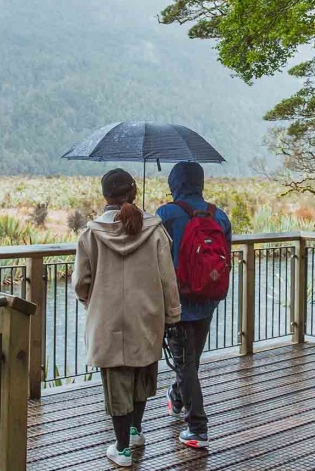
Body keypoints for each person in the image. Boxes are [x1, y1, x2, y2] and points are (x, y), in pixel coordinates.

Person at [73, 168, 182, 468]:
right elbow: (167, 279)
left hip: (107, 320)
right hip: (146, 316)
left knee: (117, 380)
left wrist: (90, 301)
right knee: (142, 376)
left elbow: (81, 282)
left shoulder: (92, 233)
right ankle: (135, 432)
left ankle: (121, 448)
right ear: (133, 193)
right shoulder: (155, 230)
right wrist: (172, 315)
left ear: (105, 195)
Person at [155, 161, 233, 449]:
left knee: (185, 363)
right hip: (209, 298)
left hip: (178, 301)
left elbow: (155, 255)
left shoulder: (167, 214)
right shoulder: (219, 215)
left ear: (175, 183)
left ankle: (197, 427)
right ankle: (176, 398)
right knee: (190, 361)